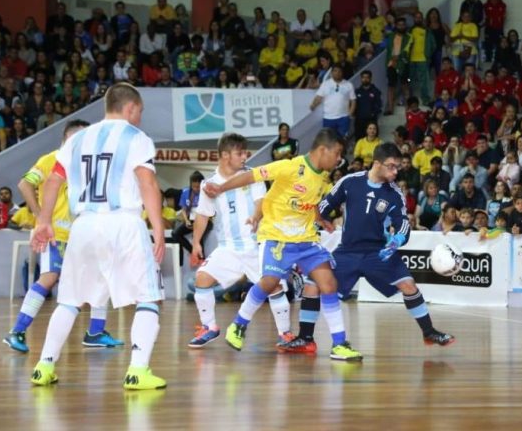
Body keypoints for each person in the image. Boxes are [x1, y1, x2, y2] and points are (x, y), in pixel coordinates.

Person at [29, 83, 168, 389]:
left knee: (69, 300)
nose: (140, 119)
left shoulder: (78, 139)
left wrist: (43, 220)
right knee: (148, 296)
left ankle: (44, 366)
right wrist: (158, 229)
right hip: (123, 223)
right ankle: (138, 371)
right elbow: (147, 183)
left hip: (84, 226)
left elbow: (53, 181)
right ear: (130, 108)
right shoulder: (137, 137)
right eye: (140, 112)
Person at [203, 129, 362, 360]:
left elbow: (310, 200)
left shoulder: (322, 177)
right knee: (269, 282)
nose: (340, 159)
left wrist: (319, 219)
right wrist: (221, 188)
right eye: (337, 153)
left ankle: (339, 344)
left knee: (328, 284)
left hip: (306, 240)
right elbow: (252, 175)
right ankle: (238, 324)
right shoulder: (290, 167)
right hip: (277, 236)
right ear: (322, 150)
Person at [279, 143, 454, 354]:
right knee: (312, 286)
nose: (395, 171)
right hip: (347, 251)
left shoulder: (394, 193)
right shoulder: (349, 182)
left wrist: (397, 240)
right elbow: (324, 206)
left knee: (408, 285)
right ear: (377, 163)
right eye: (391, 166)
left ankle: (429, 332)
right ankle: (306, 338)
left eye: (397, 167)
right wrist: (312, 226)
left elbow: (403, 224)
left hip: (378, 252)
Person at [3, 120, 125, 353]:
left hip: (82, 233)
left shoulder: (86, 164)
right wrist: (41, 218)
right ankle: (16, 331)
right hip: (55, 233)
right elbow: (24, 185)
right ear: (68, 138)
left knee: (101, 277)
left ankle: (96, 332)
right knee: (49, 277)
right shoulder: (51, 159)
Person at [187, 134, 294, 348]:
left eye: (245, 152)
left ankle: (286, 334)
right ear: (225, 155)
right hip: (228, 248)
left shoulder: (252, 176)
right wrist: (196, 242)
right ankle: (210, 327)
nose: (245, 156)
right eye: (240, 153)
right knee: (202, 279)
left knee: (274, 287)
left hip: (256, 246)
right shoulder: (210, 184)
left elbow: (261, 202)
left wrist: (255, 216)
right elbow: (202, 215)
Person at [173, 171, 212, 264]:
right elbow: (183, 209)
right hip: (191, 220)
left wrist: (198, 224)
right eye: (193, 187)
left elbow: (211, 212)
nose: (196, 189)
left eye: (198, 187)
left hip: (206, 220)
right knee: (175, 234)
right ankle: (193, 252)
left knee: (198, 234)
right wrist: (186, 221)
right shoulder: (186, 192)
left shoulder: (207, 192)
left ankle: (202, 258)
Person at [310, 64, 356, 140]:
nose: (337, 73)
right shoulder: (325, 84)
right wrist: (313, 105)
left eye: (339, 71)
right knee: (328, 140)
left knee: (343, 140)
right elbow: (319, 97)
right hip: (328, 118)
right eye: (335, 71)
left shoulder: (348, 85)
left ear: (342, 73)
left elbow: (353, 100)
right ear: (331, 73)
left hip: (343, 117)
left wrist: (350, 115)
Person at [354, 70, 382, 140]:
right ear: (361, 79)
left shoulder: (375, 91)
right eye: (363, 77)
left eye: (367, 77)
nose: (365, 79)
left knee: (372, 140)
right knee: (359, 140)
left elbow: (379, 105)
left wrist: (373, 113)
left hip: (371, 121)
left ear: (370, 79)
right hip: (359, 120)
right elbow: (354, 104)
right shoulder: (357, 91)